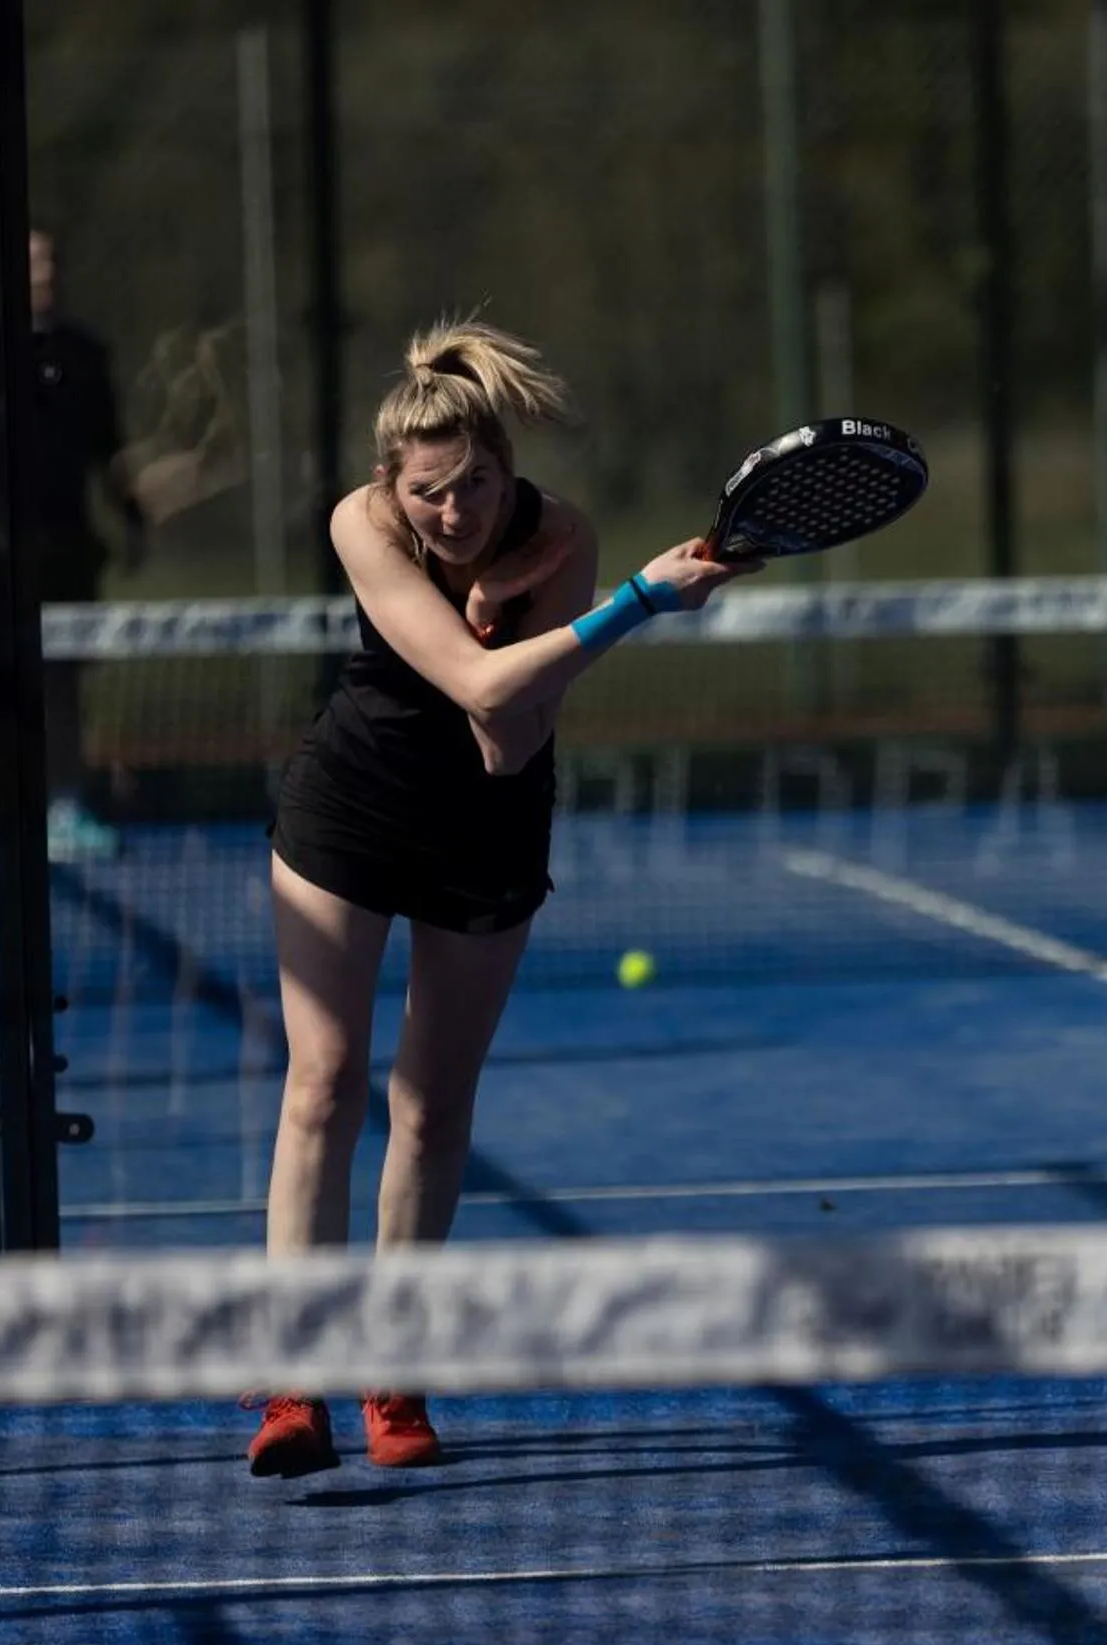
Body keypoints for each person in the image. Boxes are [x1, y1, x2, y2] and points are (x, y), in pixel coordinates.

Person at [246, 321, 755, 1477]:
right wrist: (631, 605)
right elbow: (476, 678)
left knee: (430, 1104)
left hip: (489, 823)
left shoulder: (559, 534)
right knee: (322, 1084)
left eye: (477, 483)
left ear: (505, 467)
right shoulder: (357, 522)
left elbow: (503, 740)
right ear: (394, 485)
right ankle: (291, 1381)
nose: (455, 510)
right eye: (431, 491)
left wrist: (533, 611)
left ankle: (394, 1371)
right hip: (348, 813)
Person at [0, 224, 146, 863]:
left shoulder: (85, 355)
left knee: (59, 685)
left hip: (62, 549)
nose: (42, 273)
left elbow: (110, 452)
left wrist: (132, 516)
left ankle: (63, 807)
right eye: (29, 263)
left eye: (49, 261)